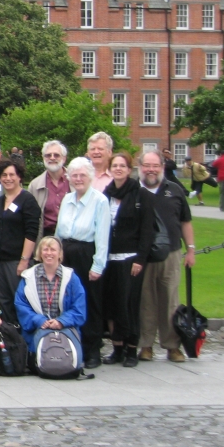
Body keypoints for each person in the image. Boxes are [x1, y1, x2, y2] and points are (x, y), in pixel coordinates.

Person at [137, 150, 195, 363]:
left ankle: (172, 346)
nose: (151, 170)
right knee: (146, 302)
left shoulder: (175, 190)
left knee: (170, 301)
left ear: (162, 167)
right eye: (147, 165)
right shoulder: (134, 191)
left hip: (171, 253)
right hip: (143, 257)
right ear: (140, 167)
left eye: (155, 166)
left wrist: (190, 249)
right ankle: (146, 345)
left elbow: (185, 221)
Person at [54, 157, 111, 368]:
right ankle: (71, 345)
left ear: (91, 177)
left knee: (91, 303)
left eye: (82, 176)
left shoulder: (100, 201)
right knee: (68, 302)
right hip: (67, 253)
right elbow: (60, 231)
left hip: (87, 254)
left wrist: (98, 265)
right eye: (74, 175)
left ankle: (93, 349)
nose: (78, 179)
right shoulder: (67, 199)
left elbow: (103, 236)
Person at [101, 151, 155, 367]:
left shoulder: (142, 196)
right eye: (115, 165)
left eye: (122, 166)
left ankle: (132, 349)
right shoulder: (106, 194)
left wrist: (140, 259)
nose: (119, 169)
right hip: (109, 258)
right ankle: (117, 348)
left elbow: (147, 231)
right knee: (112, 305)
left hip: (130, 258)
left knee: (129, 305)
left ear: (129, 169)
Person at [14, 235, 88, 357]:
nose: (49, 253)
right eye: (45, 249)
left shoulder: (71, 278)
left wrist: (61, 322)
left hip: (65, 332)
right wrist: (39, 320)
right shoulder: (28, 277)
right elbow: (21, 305)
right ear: (40, 253)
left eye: (53, 250)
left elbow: (79, 309)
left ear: (60, 254)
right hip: (37, 332)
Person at [0, 157, 41, 325]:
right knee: (3, 301)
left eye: (12, 174)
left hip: (17, 260)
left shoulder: (27, 200)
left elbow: (31, 232)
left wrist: (24, 260)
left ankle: (24, 341)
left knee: (20, 300)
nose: (8, 178)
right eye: (4, 175)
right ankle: (10, 336)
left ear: (20, 177)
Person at [28, 140, 71, 237]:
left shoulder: (74, 180)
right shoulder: (34, 186)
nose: (52, 158)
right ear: (43, 158)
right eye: (48, 155)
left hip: (71, 237)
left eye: (56, 155)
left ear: (64, 158)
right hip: (46, 237)